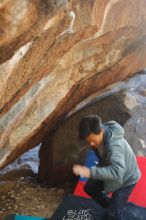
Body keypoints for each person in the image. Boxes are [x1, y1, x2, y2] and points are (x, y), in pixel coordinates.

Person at [73, 115, 141, 220]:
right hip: (111, 168)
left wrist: (90, 172)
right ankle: (110, 206)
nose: (91, 144)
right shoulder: (100, 132)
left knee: (113, 216)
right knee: (90, 188)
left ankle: (114, 212)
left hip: (127, 178)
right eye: (88, 141)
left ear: (101, 131)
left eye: (92, 140)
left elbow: (117, 172)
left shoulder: (114, 146)